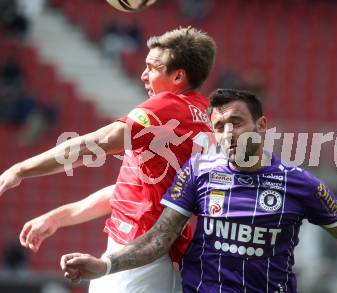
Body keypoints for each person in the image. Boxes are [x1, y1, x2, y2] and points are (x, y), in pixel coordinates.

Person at [60, 89, 337, 293]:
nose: (228, 132)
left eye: (236, 122)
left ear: (261, 125)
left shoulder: (299, 183)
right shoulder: (198, 171)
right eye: (220, 125)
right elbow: (159, 239)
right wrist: (105, 265)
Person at [0, 27, 216, 293]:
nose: (143, 75)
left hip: (141, 256)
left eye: (152, 68)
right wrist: (59, 217)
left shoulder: (167, 108)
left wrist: (21, 169)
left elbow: (97, 144)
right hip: (150, 254)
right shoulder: (203, 113)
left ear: (178, 76)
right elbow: (132, 192)